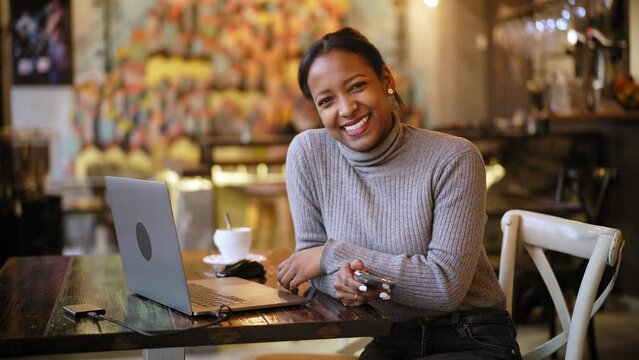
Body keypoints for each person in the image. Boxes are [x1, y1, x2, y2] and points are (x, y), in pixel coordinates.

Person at [276, 27, 522, 359]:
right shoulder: (308, 154)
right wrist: (344, 282)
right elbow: (312, 261)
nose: (347, 108)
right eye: (327, 100)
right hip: (389, 336)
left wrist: (333, 256)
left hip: (469, 334)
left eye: (357, 86)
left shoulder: (454, 158)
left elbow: (446, 286)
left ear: (386, 80)